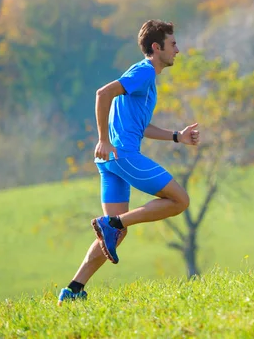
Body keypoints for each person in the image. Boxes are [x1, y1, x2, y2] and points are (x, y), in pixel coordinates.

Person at [57, 19, 200, 306]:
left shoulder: (143, 78)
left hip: (110, 161)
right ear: (157, 47)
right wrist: (103, 140)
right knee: (180, 200)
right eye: (173, 44)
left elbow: (141, 126)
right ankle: (112, 222)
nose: (178, 50)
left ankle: (73, 290)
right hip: (120, 155)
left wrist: (177, 136)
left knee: (115, 234)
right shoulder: (145, 72)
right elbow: (103, 93)